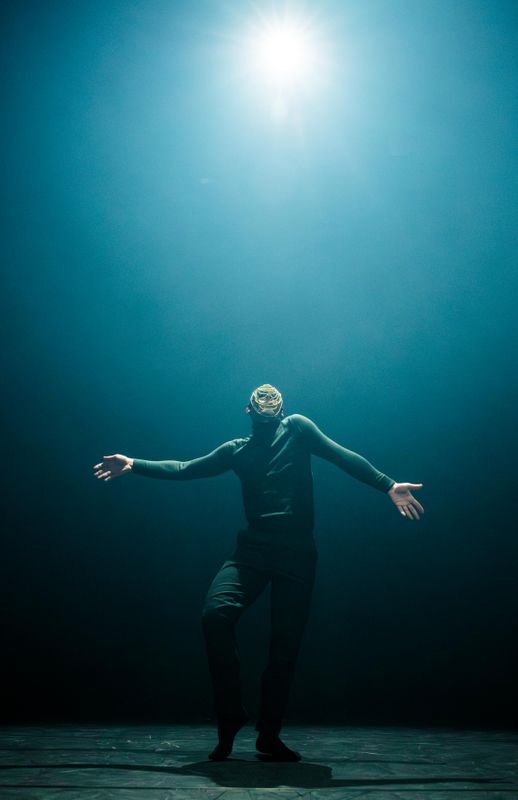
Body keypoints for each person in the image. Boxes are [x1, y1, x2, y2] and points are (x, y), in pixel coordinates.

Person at [93, 383, 424, 761]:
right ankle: (230, 715)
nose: (269, 417)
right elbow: (185, 468)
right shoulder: (236, 451)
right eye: (262, 411)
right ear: (249, 412)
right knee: (215, 616)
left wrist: (388, 485)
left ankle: (269, 735)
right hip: (252, 551)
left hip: (297, 555)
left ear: (278, 412)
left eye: (273, 412)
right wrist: (134, 464)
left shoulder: (297, 428)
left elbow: (341, 456)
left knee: (285, 648)